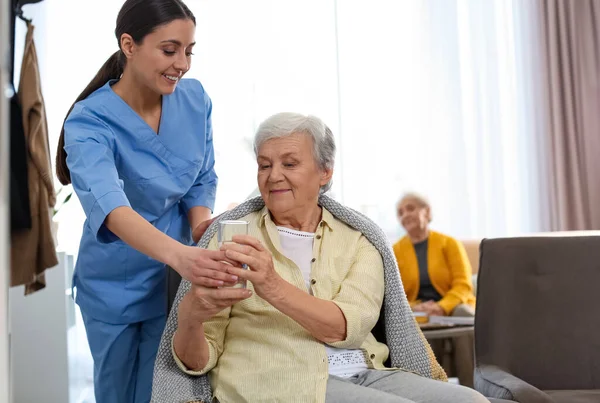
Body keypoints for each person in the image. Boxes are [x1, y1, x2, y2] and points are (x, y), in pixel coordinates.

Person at [171, 112, 488, 402]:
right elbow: (198, 362)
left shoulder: (360, 240)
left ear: (324, 172)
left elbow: (345, 328)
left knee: (472, 401)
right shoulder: (233, 239)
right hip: (279, 381)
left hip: (365, 373)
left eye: (289, 164)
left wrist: (271, 284)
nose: (273, 176)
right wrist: (190, 320)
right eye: (265, 165)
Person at [55, 1, 236, 401]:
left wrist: (201, 227)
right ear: (129, 45)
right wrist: (182, 256)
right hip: (114, 284)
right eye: (170, 50)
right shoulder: (89, 120)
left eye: (189, 50)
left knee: (166, 391)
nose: (183, 64)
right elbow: (111, 206)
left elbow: (201, 177)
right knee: (118, 393)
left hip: (172, 280)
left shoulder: (194, 99)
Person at [393, 193, 476, 386]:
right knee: (416, 324)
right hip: (419, 311)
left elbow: (463, 284)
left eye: (411, 208)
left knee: (463, 314)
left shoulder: (449, 243)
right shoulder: (396, 250)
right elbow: (396, 293)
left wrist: (441, 306)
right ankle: (433, 392)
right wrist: (419, 307)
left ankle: (472, 389)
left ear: (427, 212)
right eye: (401, 212)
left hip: (453, 305)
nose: (405, 215)